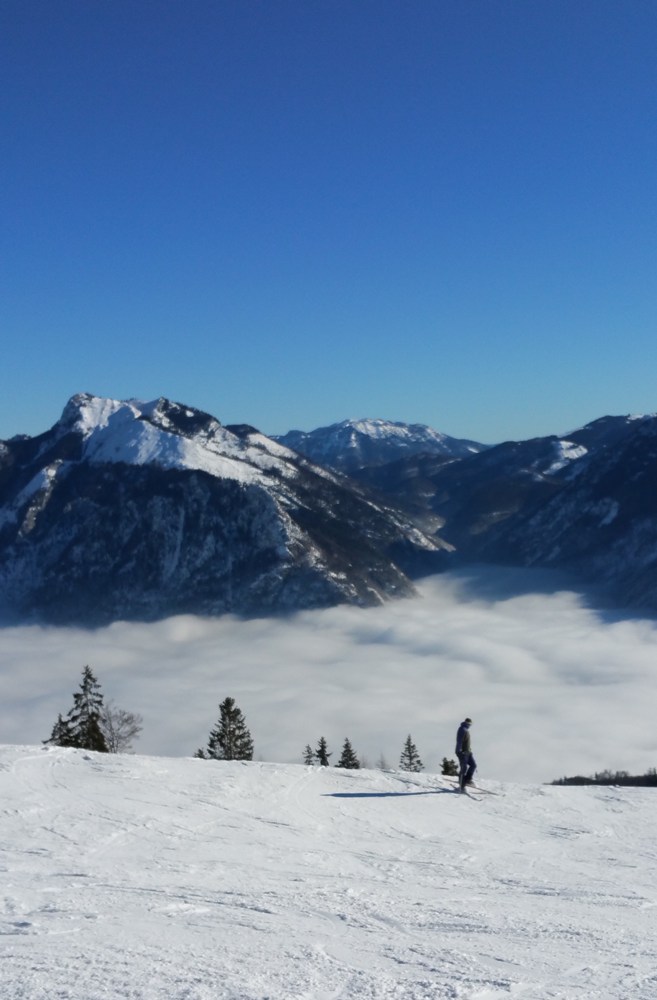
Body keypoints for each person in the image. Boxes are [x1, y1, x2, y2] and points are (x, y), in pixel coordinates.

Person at [455, 717, 476, 791]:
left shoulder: (465, 729)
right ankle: (461, 786)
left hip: (468, 752)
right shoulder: (462, 729)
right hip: (463, 752)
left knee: (473, 765)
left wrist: (469, 750)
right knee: (464, 768)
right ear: (467, 723)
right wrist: (460, 750)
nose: (470, 725)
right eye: (470, 724)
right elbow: (459, 741)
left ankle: (467, 780)